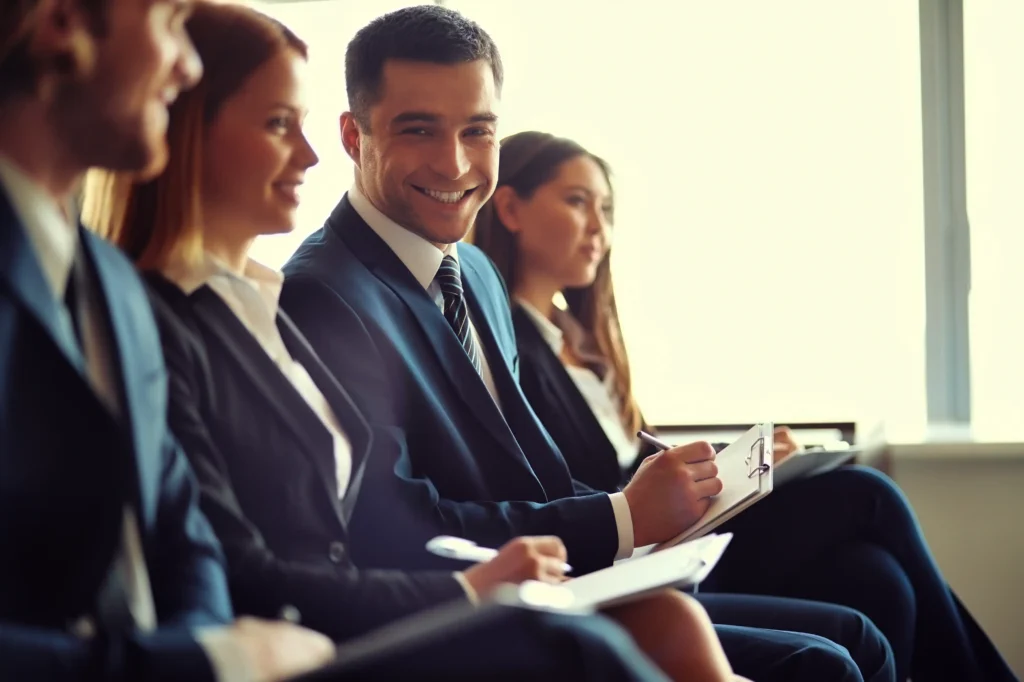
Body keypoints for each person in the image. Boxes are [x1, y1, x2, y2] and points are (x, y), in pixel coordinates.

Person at [86, 4, 747, 680]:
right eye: (279, 124)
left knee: (713, 619)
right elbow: (339, 535)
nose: (307, 155)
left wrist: (640, 520)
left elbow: (517, 470)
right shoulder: (303, 295)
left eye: (477, 130)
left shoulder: (268, 302)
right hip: (349, 627)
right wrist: (488, 579)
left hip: (466, 585)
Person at [280, 6, 896, 682]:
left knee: (855, 628)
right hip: (477, 614)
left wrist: (671, 500)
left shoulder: (477, 273)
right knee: (829, 656)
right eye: (418, 129)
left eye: (477, 131)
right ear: (352, 134)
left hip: (576, 578)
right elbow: (391, 521)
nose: (454, 162)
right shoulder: (323, 294)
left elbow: (525, 472)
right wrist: (620, 516)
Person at [472, 129, 1020, 682]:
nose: (598, 227)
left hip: (672, 531)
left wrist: (742, 467)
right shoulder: (508, 349)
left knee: (876, 578)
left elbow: (637, 459)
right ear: (512, 208)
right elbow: (577, 487)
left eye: (606, 209)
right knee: (868, 494)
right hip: (639, 554)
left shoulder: (582, 344)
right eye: (576, 201)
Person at [0, 0, 338, 680]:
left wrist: (211, 652)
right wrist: (202, 664)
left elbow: (189, 539)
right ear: (62, 23)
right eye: (170, 21)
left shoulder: (115, 286)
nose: (186, 69)